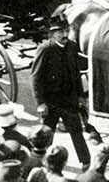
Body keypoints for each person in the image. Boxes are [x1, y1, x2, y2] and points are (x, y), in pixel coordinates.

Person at [29, 14, 94, 166]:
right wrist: (40, 103)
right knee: (46, 135)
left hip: (69, 101)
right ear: (52, 34)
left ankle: (86, 163)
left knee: (77, 133)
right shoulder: (45, 49)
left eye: (66, 30)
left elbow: (76, 75)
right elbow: (35, 78)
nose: (64, 35)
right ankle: (39, 162)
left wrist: (80, 96)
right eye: (60, 32)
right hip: (50, 103)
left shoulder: (71, 47)